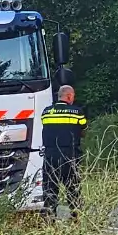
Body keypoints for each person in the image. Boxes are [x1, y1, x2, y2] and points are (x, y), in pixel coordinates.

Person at [41, 84, 87, 219]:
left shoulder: (46, 112)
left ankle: (49, 219)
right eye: (73, 96)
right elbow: (83, 130)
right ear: (69, 96)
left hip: (50, 156)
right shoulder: (77, 112)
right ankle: (76, 217)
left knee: (50, 188)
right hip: (69, 155)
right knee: (73, 188)